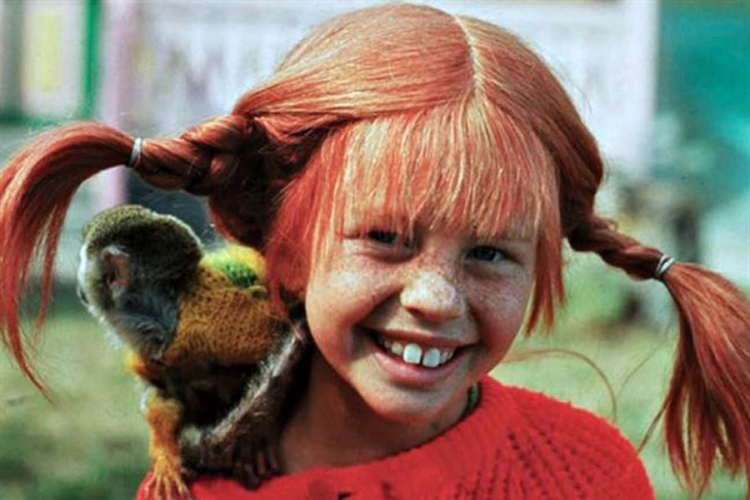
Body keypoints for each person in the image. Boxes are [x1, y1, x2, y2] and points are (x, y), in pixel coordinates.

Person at [1, 4, 748, 499]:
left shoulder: (582, 477)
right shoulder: (197, 491)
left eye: (490, 253)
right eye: (386, 239)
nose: (436, 298)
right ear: (287, 249)